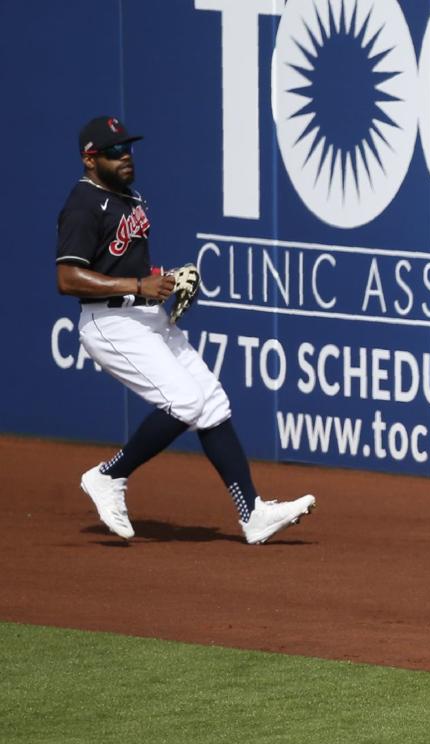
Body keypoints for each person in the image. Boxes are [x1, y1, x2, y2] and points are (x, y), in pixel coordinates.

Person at [56, 115, 315, 544]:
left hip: (142, 316)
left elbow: (125, 266)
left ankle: (252, 514)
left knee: (211, 403)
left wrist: (166, 278)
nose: (126, 156)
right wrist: (140, 285)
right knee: (185, 400)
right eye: (115, 151)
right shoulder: (83, 205)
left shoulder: (130, 198)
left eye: (128, 148)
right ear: (90, 159)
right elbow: (68, 279)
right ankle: (109, 476)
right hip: (108, 322)